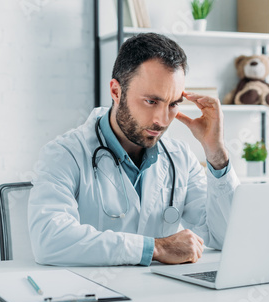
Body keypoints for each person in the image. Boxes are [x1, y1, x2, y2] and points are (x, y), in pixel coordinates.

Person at [28, 33, 240, 266]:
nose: (162, 120)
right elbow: (49, 240)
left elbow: (227, 238)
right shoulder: (65, 153)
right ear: (116, 92)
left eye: (173, 104)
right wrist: (155, 248)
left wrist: (216, 152)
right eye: (151, 101)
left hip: (158, 294)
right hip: (93, 296)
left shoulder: (180, 157)